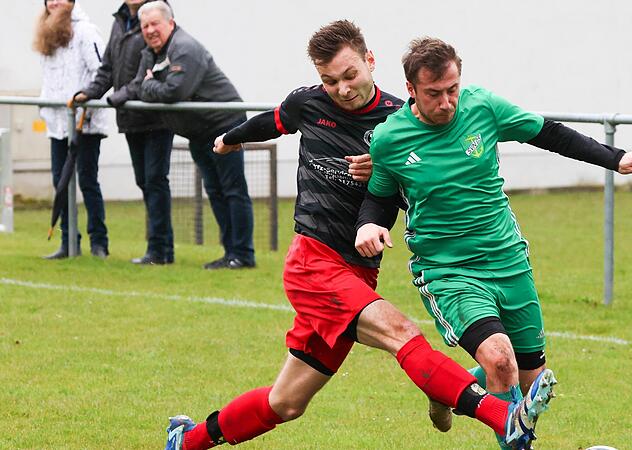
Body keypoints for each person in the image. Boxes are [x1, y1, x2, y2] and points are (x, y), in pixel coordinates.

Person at [161, 21, 552, 450]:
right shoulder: (308, 104)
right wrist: (230, 139)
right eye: (330, 81)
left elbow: (421, 198)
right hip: (314, 262)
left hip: (360, 272)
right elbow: (271, 122)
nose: (342, 89)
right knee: (401, 331)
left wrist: (385, 178)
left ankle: (187, 441)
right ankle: (502, 416)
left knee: (286, 402)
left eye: (349, 76)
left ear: (370, 61)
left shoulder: (399, 123)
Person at [356, 37, 632, 448]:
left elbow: (549, 134)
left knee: (531, 379)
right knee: (500, 360)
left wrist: (615, 157)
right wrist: (369, 226)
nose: (447, 102)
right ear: (411, 90)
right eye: (434, 94)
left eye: (453, 89)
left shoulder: (482, 106)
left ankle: (447, 389)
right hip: (448, 268)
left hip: (507, 258)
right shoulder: (390, 139)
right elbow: (379, 198)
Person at [129, 1, 254, 269]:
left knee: (233, 190)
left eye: (155, 24)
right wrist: (149, 85)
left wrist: (151, 83)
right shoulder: (150, 53)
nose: (150, 30)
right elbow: (139, 87)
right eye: (145, 26)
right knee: (216, 191)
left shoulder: (185, 47)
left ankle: (243, 254)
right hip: (199, 132)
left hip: (224, 124)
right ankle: (230, 252)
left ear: (170, 23)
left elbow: (175, 92)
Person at [73, 0, 175, 265]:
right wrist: (90, 92)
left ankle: (159, 250)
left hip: (156, 117)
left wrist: (117, 96)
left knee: (155, 181)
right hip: (130, 118)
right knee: (145, 181)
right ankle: (162, 248)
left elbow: (151, 71)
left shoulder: (157, 17)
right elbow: (107, 68)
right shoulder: (119, 21)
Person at [35, 0, 112, 260]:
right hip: (58, 124)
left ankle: (99, 243)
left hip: (84, 123)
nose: (55, 2)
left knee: (88, 181)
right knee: (61, 182)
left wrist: (86, 102)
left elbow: (102, 72)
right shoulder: (47, 31)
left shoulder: (87, 31)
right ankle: (69, 242)